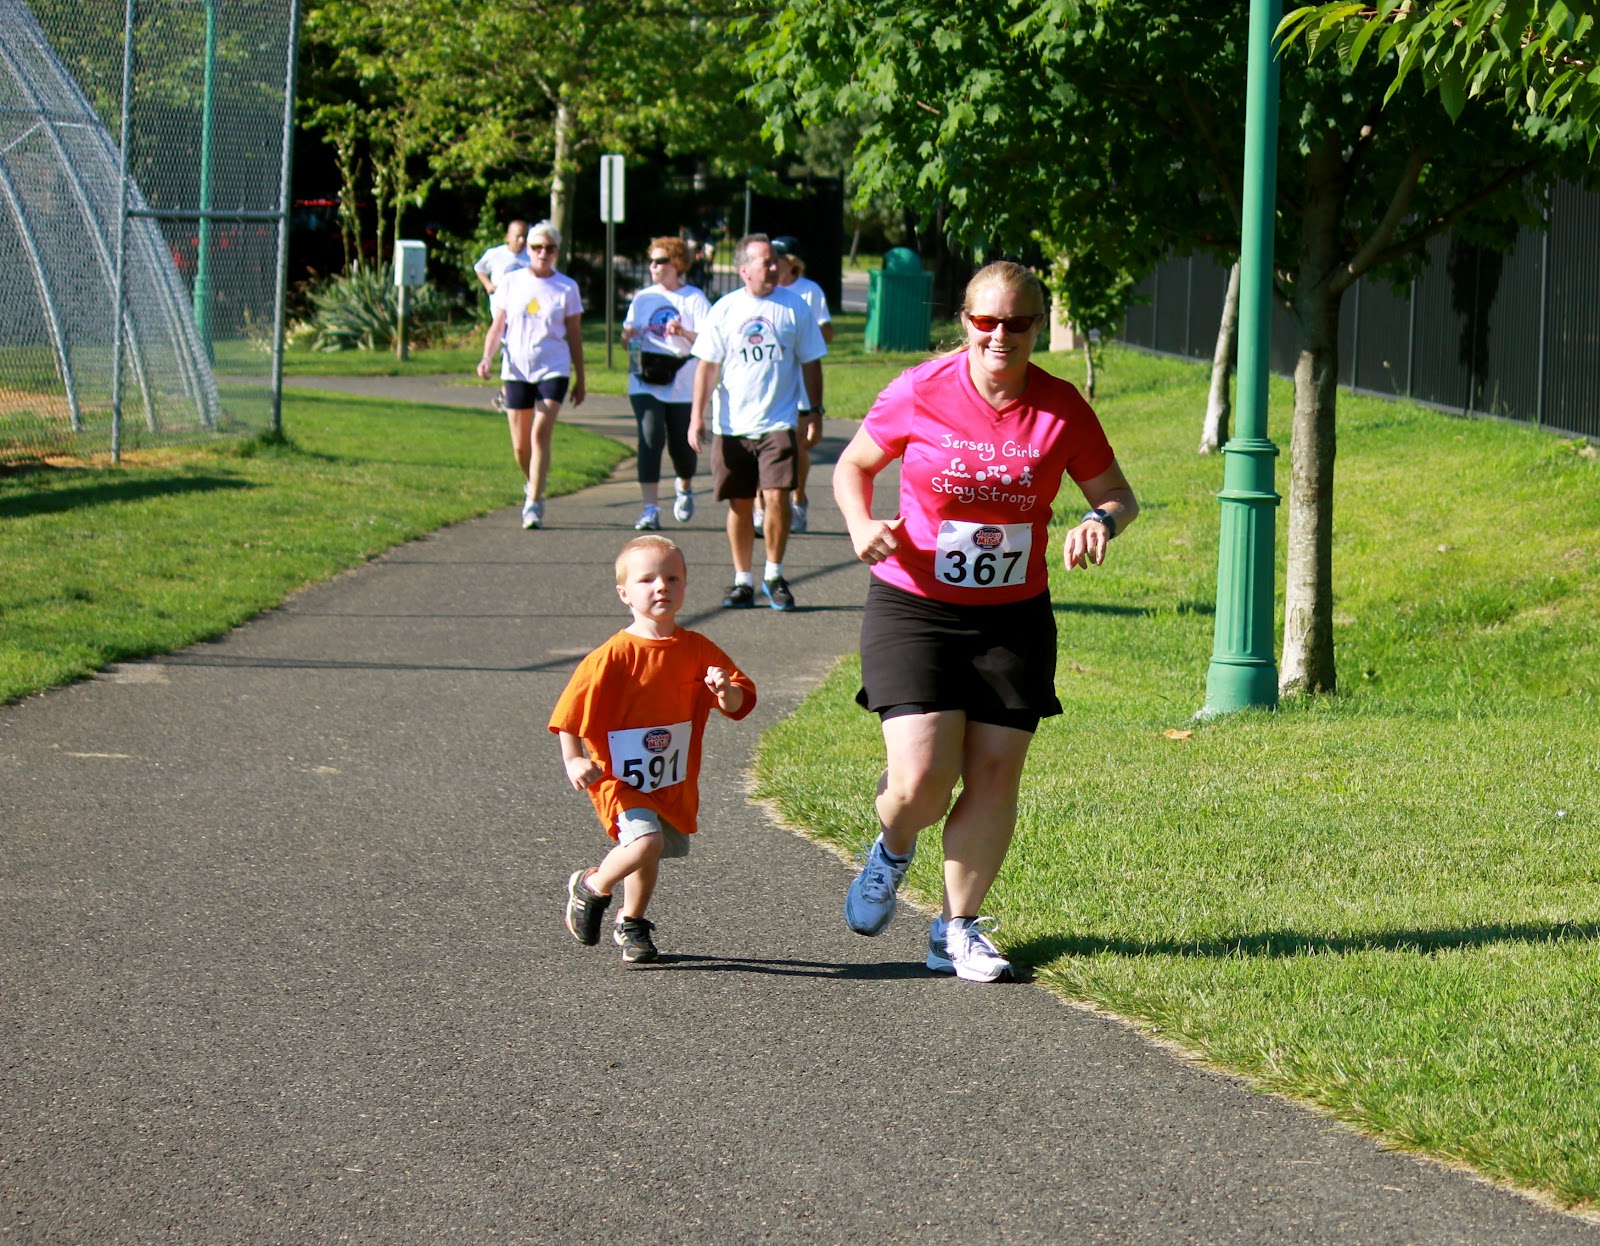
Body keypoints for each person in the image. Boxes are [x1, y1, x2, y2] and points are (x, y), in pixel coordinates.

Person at [833, 260, 1138, 983]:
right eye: (986, 321)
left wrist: (1100, 521)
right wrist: (856, 522)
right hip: (915, 602)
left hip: (1013, 615)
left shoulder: (1062, 408)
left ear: (1039, 324)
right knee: (920, 784)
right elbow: (854, 464)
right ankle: (893, 845)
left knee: (996, 773)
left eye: (1020, 322)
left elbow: (1119, 494)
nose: (1001, 335)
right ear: (964, 321)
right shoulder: (921, 389)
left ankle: (955, 930)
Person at [551, 535, 757, 964]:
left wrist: (724, 692)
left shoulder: (697, 650)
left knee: (650, 847)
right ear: (624, 593)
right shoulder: (612, 657)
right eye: (647, 579)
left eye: (672, 577)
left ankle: (632, 922)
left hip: (670, 777)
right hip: (617, 777)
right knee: (644, 843)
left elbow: (740, 699)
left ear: (685, 586)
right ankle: (591, 886)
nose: (661, 586)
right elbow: (568, 713)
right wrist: (573, 758)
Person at [689, 234, 827, 612]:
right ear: (743, 270)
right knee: (740, 503)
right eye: (764, 262)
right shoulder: (725, 309)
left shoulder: (794, 307)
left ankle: (774, 574)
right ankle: (742, 580)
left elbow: (811, 361)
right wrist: (695, 417)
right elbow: (706, 366)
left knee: (778, 496)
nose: (772, 267)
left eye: (774, 261)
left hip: (778, 421)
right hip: (732, 425)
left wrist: (814, 410)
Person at [475, 221, 585, 529]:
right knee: (520, 446)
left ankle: (533, 503)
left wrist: (581, 378)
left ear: (557, 252)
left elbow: (575, 336)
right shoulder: (511, 282)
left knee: (540, 433)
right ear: (528, 249)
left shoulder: (566, 287)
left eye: (549, 248)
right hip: (516, 369)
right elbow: (498, 326)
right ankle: (534, 483)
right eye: (537, 247)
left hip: (554, 367)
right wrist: (486, 357)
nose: (543, 253)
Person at [621, 237, 712, 531]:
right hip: (645, 380)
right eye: (652, 261)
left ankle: (684, 487)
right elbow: (627, 341)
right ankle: (650, 509)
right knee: (649, 438)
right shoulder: (643, 298)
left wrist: (683, 331)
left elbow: (710, 345)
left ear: (677, 264)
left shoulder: (694, 299)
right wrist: (628, 338)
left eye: (660, 261)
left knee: (681, 447)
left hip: (683, 382)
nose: (653, 266)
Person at [769, 236, 833, 536]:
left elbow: (827, 333)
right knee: (765, 441)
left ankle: (798, 497)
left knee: (796, 445)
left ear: (791, 261)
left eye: (777, 257)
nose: (772, 262)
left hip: (801, 380)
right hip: (771, 378)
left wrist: (803, 334)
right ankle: (763, 507)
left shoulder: (809, 291)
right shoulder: (765, 292)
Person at [473, 219, 530, 294]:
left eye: (524, 236)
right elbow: (479, 268)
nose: (522, 240)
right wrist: (488, 285)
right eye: (518, 236)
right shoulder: (495, 254)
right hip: (499, 303)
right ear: (508, 237)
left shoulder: (531, 256)